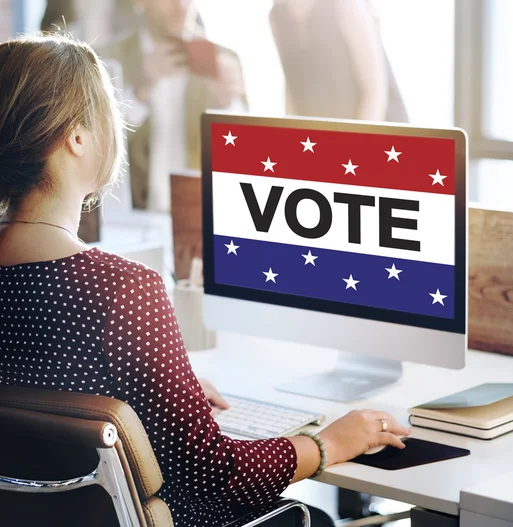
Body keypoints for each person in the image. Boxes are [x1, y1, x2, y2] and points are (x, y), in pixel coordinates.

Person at [0, 34, 411, 527]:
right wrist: (328, 444)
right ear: (77, 137)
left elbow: (39, 386)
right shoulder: (121, 291)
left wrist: (158, 386)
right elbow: (213, 476)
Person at [100, 0, 248, 212]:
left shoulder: (224, 59)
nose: (181, 6)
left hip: (201, 212)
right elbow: (97, 146)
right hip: (130, 217)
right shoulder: (108, 58)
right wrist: (139, 92)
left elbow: (243, 154)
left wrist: (226, 104)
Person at [270, 0, 409, 123]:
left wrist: (353, 144)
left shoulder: (346, 4)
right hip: (325, 135)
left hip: (377, 128)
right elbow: (293, 86)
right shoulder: (276, 16)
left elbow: (375, 90)